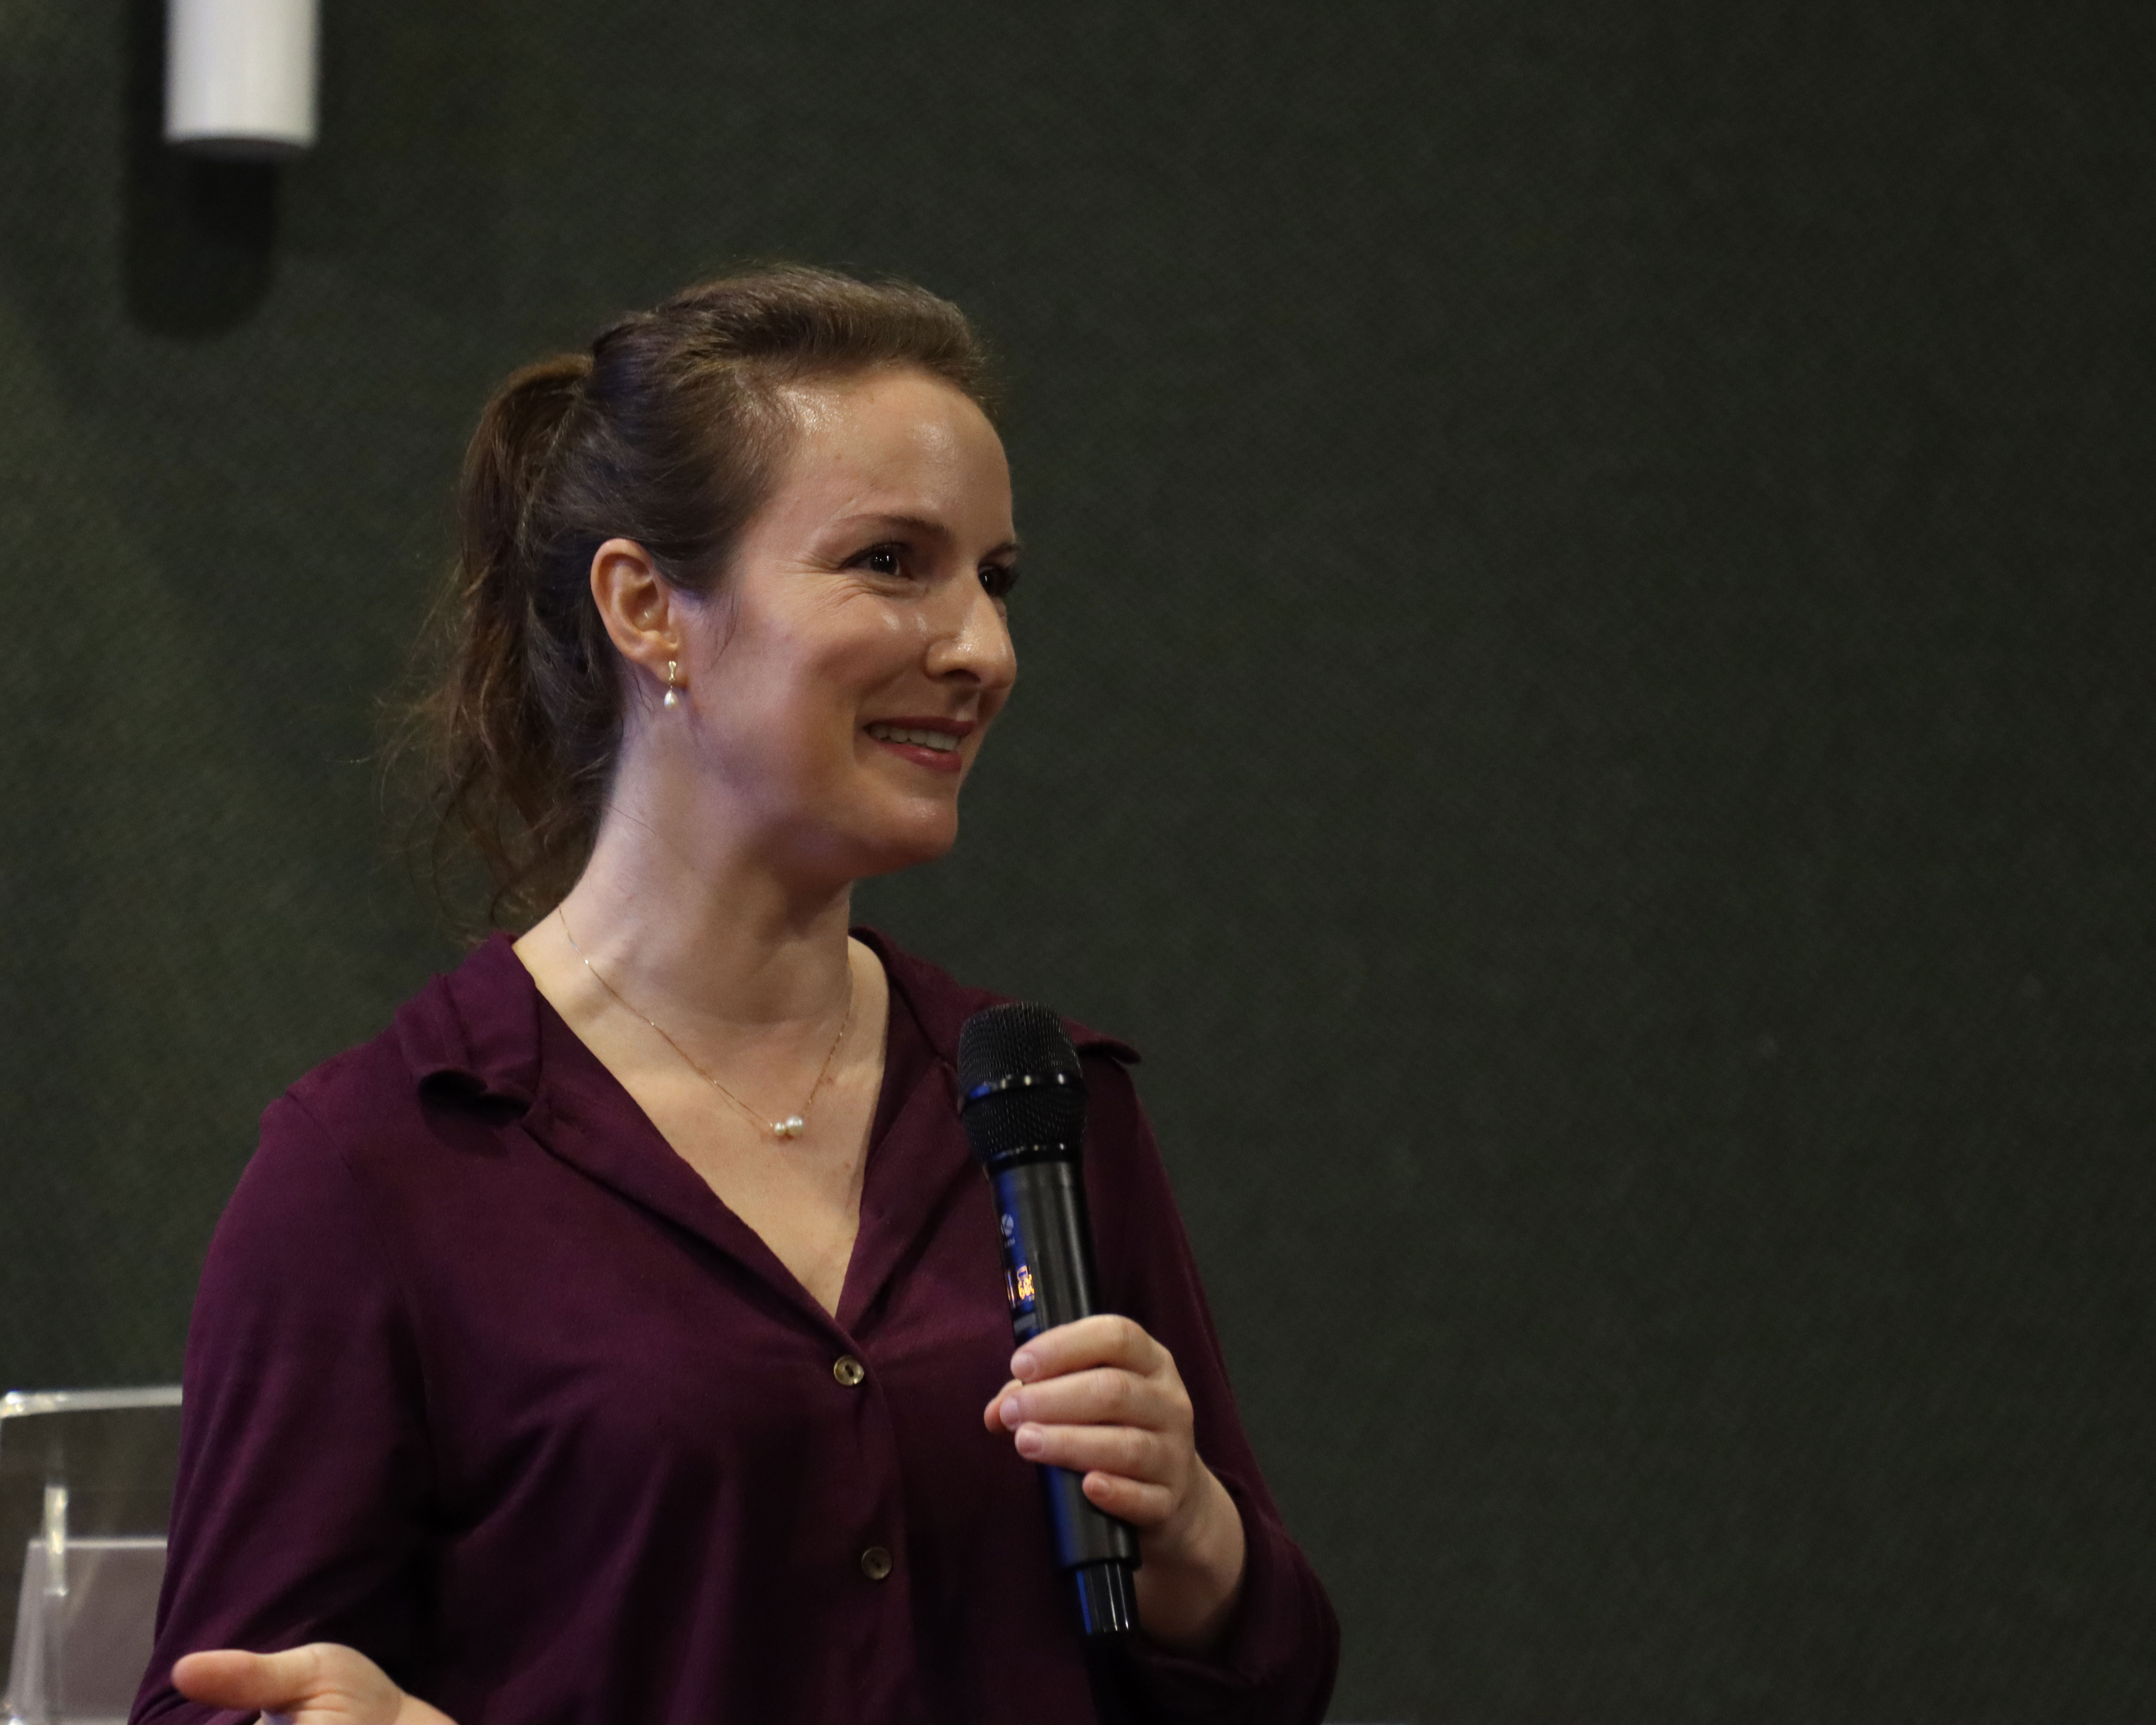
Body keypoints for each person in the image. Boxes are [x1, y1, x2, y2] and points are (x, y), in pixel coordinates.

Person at [129, 267, 1339, 1725]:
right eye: (891, 561)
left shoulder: (1042, 1105)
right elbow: (224, 1693)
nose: (984, 649)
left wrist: (1195, 1531)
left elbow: (1269, 1682)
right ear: (649, 607)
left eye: (995, 579)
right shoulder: (384, 1165)